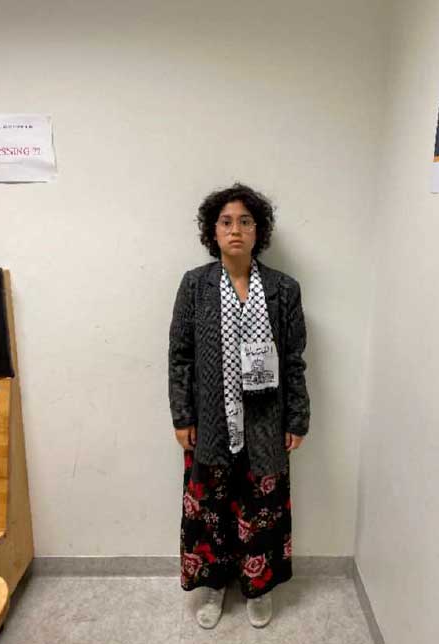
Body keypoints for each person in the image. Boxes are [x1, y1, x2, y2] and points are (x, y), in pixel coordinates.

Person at [168, 182, 310, 629]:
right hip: (211, 420)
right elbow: (180, 355)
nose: (235, 230)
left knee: (261, 506)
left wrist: (297, 418)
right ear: (213, 231)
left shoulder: (283, 289)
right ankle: (214, 585)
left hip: (266, 419)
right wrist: (182, 415)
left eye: (245, 222)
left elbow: (293, 359)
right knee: (211, 508)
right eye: (226, 222)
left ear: (258, 231)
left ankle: (258, 585)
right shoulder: (196, 285)